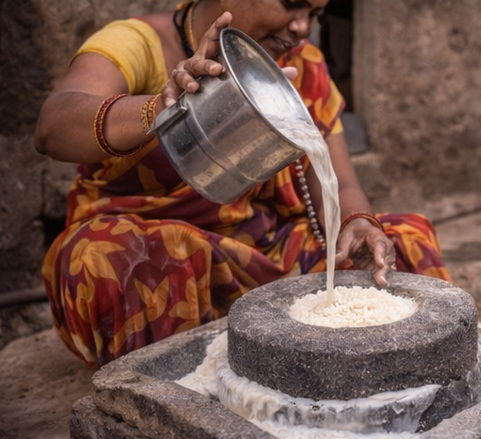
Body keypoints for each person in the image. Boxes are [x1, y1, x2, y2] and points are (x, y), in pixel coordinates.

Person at [33, 0, 450, 369]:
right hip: (161, 258)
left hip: (263, 254)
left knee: (401, 242)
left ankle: (376, 375)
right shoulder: (141, 43)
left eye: (315, 13)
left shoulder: (301, 64)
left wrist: (358, 223)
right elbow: (52, 127)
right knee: (108, 259)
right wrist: (160, 108)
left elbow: (339, 181)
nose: (302, 27)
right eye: (291, 4)